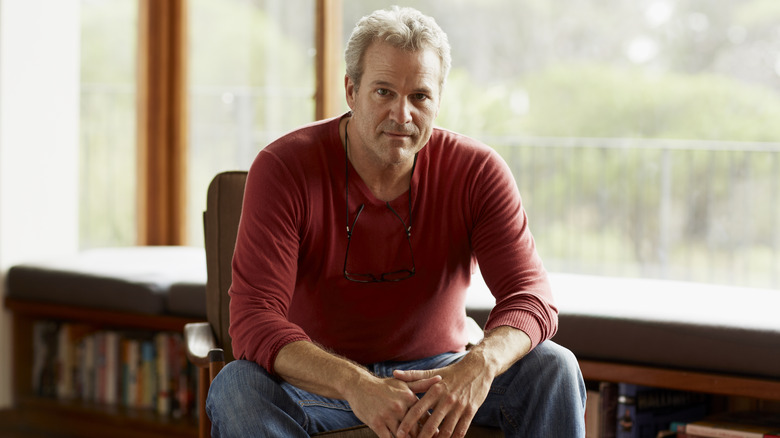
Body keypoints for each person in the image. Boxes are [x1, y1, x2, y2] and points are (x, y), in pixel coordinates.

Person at [206, 6, 586, 438]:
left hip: (440, 377)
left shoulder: (478, 171)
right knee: (235, 387)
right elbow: (254, 318)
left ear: (438, 100)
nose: (402, 115)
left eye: (419, 96)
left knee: (555, 367)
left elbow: (531, 297)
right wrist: (357, 385)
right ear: (351, 91)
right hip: (319, 386)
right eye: (383, 92)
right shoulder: (283, 167)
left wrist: (479, 365)